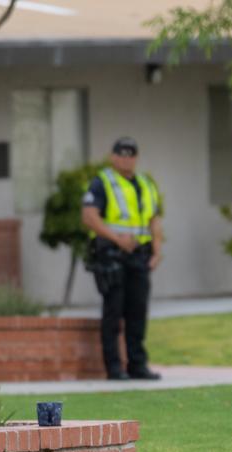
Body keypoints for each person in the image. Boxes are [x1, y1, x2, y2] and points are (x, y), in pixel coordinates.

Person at [81, 136, 164, 380]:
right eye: (121, 153)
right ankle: (114, 368)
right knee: (113, 312)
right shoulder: (102, 182)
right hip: (112, 256)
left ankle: (137, 365)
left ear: (136, 158)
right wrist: (117, 239)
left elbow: (154, 219)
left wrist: (157, 251)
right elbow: (89, 216)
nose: (126, 159)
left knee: (138, 312)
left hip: (139, 256)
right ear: (112, 156)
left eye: (131, 154)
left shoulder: (146, 184)